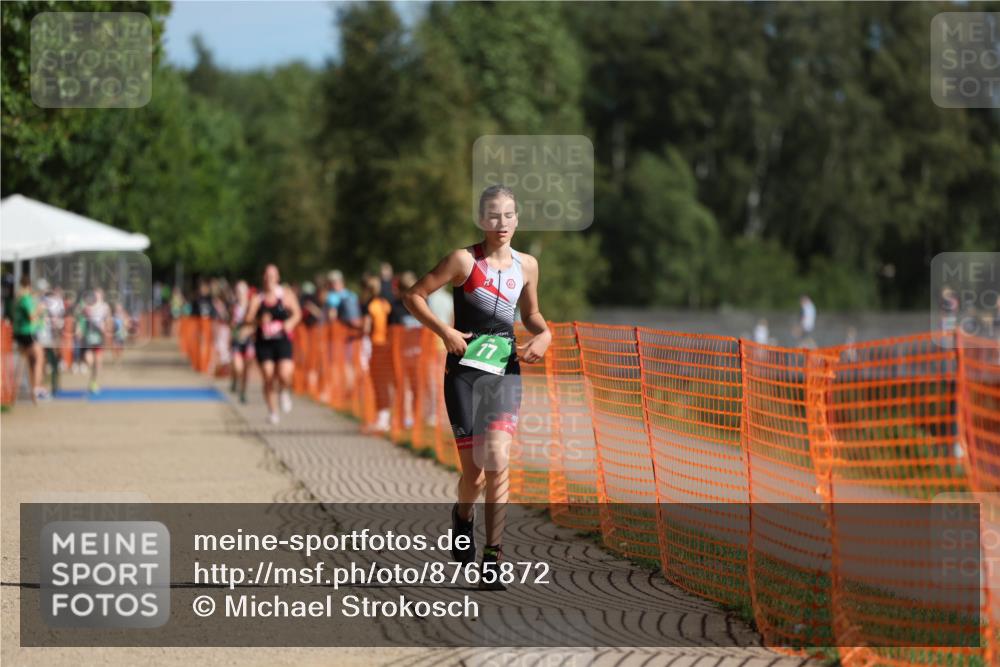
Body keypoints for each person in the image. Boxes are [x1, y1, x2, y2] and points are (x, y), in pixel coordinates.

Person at [403, 184, 551, 590]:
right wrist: (445, 332)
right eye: (493, 215)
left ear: (517, 219)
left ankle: (493, 558)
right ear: (482, 220)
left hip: (504, 370)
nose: (501, 223)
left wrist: (544, 335)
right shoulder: (463, 261)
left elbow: (532, 313)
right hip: (464, 373)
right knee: (474, 474)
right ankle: (462, 515)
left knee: (498, 458)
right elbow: (414, 296)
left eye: (508, 215)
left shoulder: (528, 265)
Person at [243, 265, 301, 425]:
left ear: (278, 278)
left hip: (282, 340)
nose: (269, 279)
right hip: (264, 342)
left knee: (285, 373)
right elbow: (247, 319)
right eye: (267, 276)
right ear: (263, 278)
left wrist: (290, 322)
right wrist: (258, 320)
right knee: (268, 376)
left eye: (272, 276)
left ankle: (284, 391)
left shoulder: (285, 295)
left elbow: (297, 313)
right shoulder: (258, 298)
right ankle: (273, 411)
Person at [362, 276, 394, 433]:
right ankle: (385, 417)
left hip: (375, 346)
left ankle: (383, 418)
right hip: (387, 346)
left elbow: (366, 328)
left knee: (378, 383)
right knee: (386, 382)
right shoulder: (385, 304)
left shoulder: (370, 305)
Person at [12, 275, 47, 403]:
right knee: (39, 357)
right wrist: (39, 309)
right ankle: (36, 389)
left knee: (29, 361)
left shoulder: (19, 298)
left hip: (20, 333)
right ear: (29, 286)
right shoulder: (25, 298)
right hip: (27, 333)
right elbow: (31, 317)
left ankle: (30, 393)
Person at [82, 288, 112, 394]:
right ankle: (91, 371)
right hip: (90, 333)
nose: (97, 296)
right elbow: (83, 315)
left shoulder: (105, 306)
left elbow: (108, 319)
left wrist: (107, 330)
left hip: (99, 335)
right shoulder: (88, 305)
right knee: (89, 358)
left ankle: (94, 382)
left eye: (99, 295)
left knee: (98, 360)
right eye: (95, 295)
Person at [229, 280, 253, 403]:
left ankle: (243, 392)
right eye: (237, 291)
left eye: (242, 291)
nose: (239, 294)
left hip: (249, 341)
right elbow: (230, 323)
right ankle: (234, 380)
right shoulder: (233, 306)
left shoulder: (251, 305)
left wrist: (248, 330)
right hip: (236, 340)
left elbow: (256, 323)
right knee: (238, 367)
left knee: (246, 369)